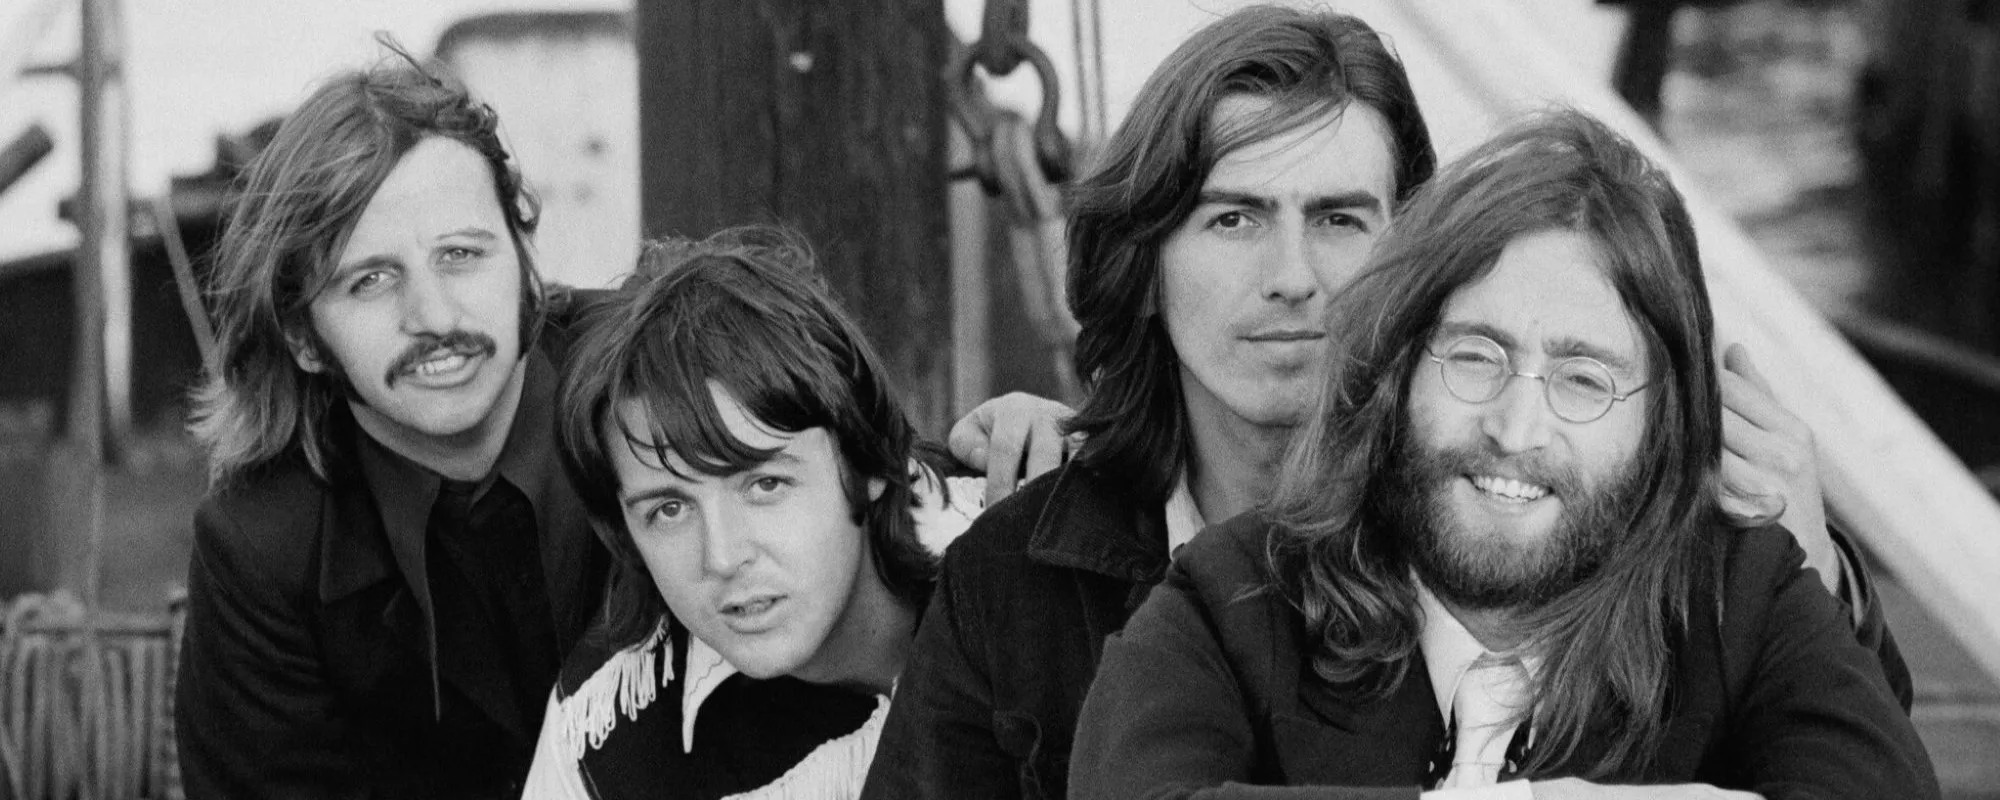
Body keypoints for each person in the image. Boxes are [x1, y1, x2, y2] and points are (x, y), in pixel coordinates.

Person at [866, 6, 1889, 800]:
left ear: (1419, 265)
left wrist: (1822, 573)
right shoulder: (1026, 577)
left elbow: (1845, 746)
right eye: (1232, 219)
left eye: (1341, 220)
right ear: (1145, 264)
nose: (1292, 279)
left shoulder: (1553, 541)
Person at [175, 50, 1061, 798]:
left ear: (523, 254)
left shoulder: (639, 373)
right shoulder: (263, 547)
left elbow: (820, 454)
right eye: (370, 280)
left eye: (461, 254)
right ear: (304, 336)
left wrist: (1014, 450)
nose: (433, 315)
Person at [1068, 109, 1936, 799]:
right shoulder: (1235, 595)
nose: (1517, 431)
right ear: (1399, 366)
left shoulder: (1739, 599)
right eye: (1476, 356)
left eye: (1583, 379)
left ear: (1661, 420)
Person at [522, 227, 984, 798]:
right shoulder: (600, 737)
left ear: (865, 458)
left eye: (765, 484)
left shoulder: (1026, 570)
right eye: (669, 508)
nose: (722, 557)